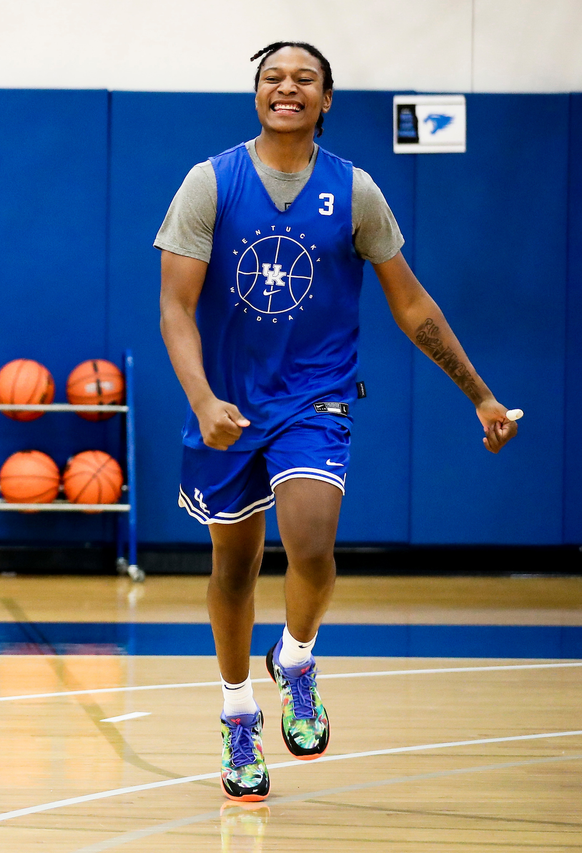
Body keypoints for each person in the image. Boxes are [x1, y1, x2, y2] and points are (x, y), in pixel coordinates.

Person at [155, 42, 517, 801]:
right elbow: (176, 308)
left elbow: (412, 304)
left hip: (314, 399)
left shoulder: (354, 191)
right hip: (225, 406)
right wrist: (200, 399)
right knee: (233, 569)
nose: (286, 88)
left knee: (312, 547)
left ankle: (296, 656)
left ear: (325, 99)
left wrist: (479, 393)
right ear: (257, 95)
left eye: (303, 80)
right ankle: (237, 712)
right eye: (272, 79)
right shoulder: (208, 183)